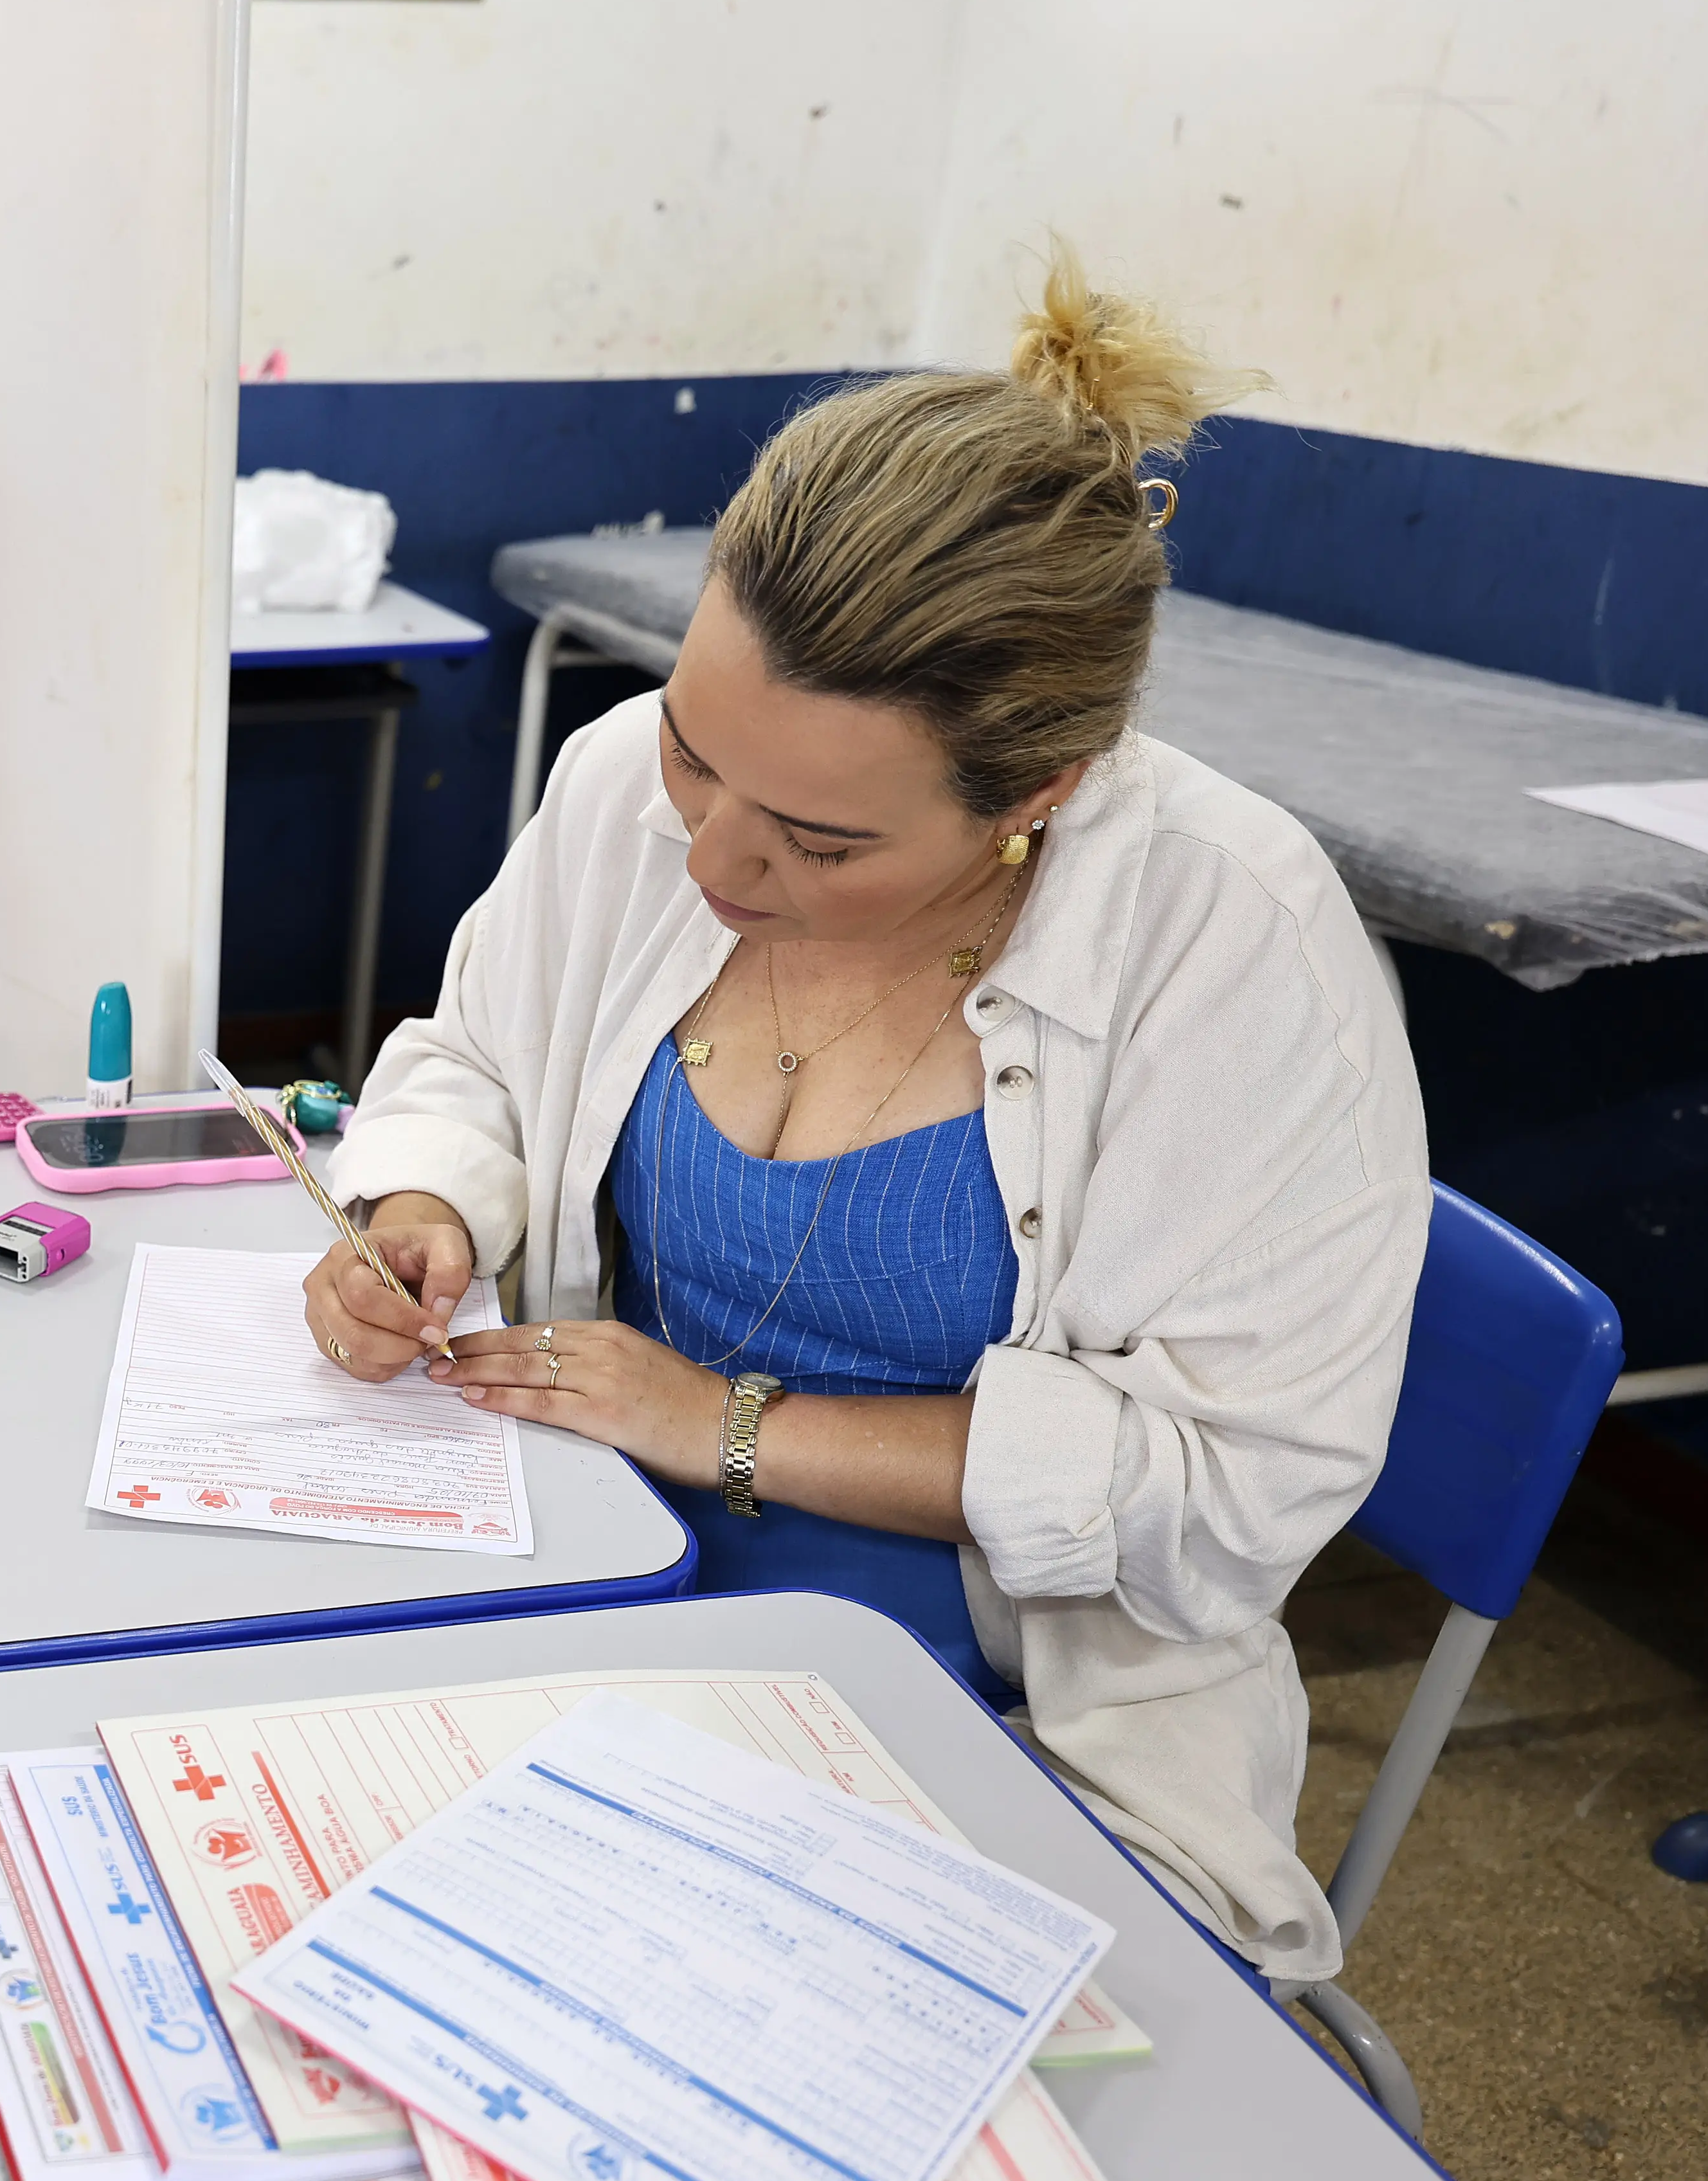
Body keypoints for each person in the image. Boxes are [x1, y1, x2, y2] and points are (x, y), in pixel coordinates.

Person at [304, 249, 1426, 1984]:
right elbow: (480, 1061)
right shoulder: (629, 786)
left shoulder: (1229, 941)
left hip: (1015, 1690)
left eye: (821, 845)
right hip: (608, 1555)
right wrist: (425, 1216)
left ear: (1038, 797)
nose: (714, 857)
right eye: (695, 751)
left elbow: (1222, 1493)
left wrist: (721, 1423)